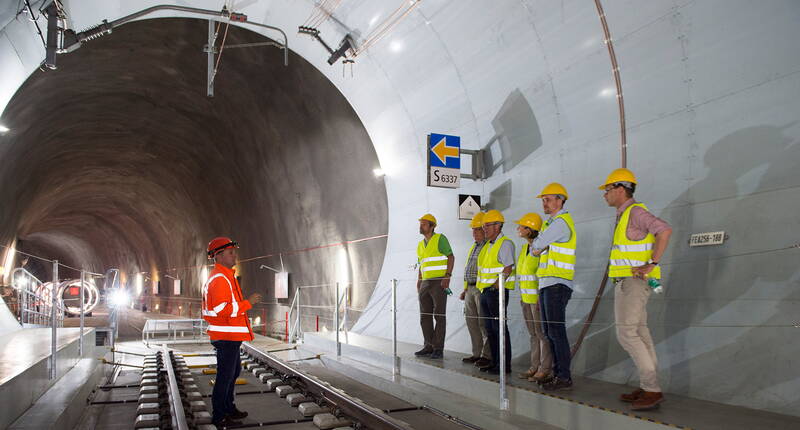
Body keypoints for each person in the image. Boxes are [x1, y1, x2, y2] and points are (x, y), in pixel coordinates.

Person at [600, 168, 672, 411]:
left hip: (633, 283)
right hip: (630, 282)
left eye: (607, 190)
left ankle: (652, 389)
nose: (605, 195)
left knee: (627, 333)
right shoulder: (625, 215)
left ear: (620, 189)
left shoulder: (635, 212)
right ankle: (649, 385)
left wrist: (652, 263)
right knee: (640, 333)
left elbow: (664, 229)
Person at [202, 237, 263, 427]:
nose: (234, 255)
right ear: (218, 256)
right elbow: (222, 309)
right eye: (230, 252)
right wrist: (248, 303)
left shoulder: (226, 275)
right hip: (225, 336)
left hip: (230, 335)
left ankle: (229, 408)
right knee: (225, 376)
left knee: (233, 371)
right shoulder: (220, 278)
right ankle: (220, 416)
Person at [532, 183, 577, 391]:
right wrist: (539, 245)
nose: (545, 203)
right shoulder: (551, 224)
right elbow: (537, 248)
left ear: (560, 200)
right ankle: (558, 373)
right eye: (543, 200)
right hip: (548, 283)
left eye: (548, 199)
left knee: (556, 332)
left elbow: (536, 247)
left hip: (557, 283)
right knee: (550, 332)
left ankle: (564, 376)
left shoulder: (559, 223)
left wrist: (540, 245)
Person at [514, 212, 553, 383]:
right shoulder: (524, 249)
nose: (518, 229)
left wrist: (539, 297)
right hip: (525, 299)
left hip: (536, 300)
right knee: (533, 335)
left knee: (542, 334)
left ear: (530, 230)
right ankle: (534, 367)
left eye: (521, 226)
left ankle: (544, 369)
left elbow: (541, 274)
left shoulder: (541, 249)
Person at [476, 209, 515, 375]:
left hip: (496, 292)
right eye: (484, 226)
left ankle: (504, 365)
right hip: (485, 292)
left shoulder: (505, 243)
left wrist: (497, 285)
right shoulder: (487, 245)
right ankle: (495, 362)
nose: (485, 228)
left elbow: (508, 267)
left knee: (499, 328)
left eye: (488, 225)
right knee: (490, 329)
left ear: (498, 226)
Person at [415, 214, 455, 359]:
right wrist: (419, 280)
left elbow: (451, 257)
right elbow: (422, 264)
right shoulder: (420, 245)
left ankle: (438, 348)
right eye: (420, 224)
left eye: (424, 224)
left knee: (439, 315)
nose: (421, 226)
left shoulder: (440, 239)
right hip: (425, 282)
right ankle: (428, 346)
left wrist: (447, 276)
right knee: (424, 316)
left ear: (432, 226)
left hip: (439, 282)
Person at [459, 212, 491, 368]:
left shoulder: (488, 246)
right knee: (471, 322)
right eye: (473, 230)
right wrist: (465, 289)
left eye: (477, 230)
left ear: (484, 230)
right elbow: (468, 269)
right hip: (470, 289)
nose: (474, 233)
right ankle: (477, 353)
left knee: (483, 323)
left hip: (481, 288)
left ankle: (487, 355)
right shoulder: (474, 246)